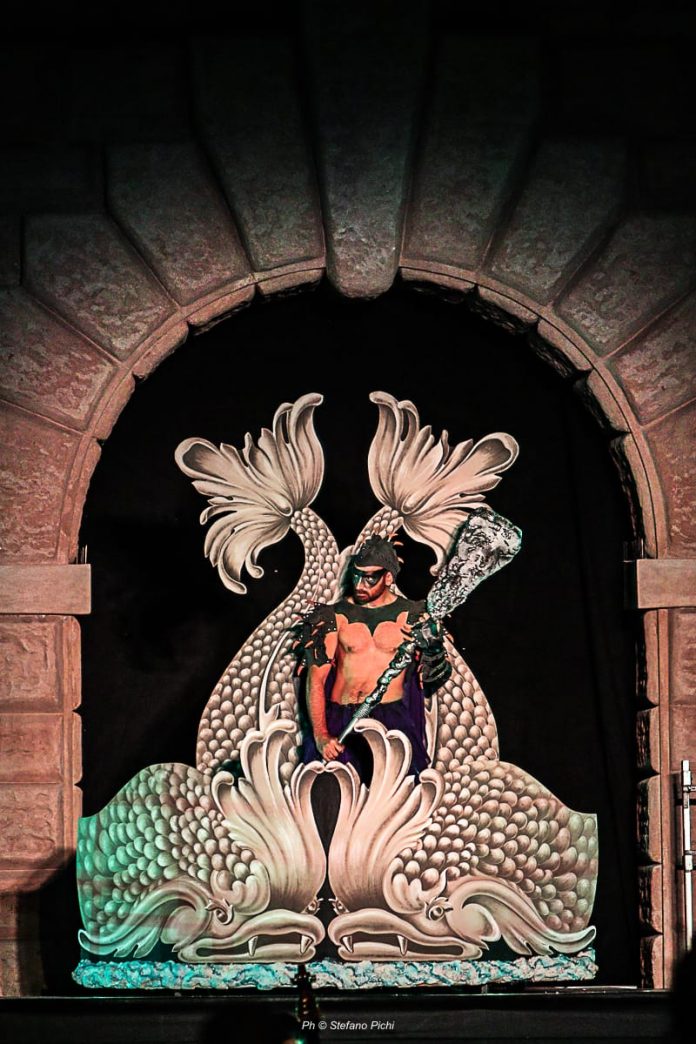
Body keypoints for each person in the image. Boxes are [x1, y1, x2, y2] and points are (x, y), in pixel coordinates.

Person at [294, 535, 451, 782]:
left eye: (370, 578)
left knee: (396, 795)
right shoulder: (333, 617)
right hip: (340, 718)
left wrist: (432, 648)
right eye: (356, 575)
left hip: (390, 719)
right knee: (330, 793)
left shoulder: (413, 616)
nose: (360, 584)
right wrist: (321, 734)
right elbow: (316, 679)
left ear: (388, 578)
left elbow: (433, 678)